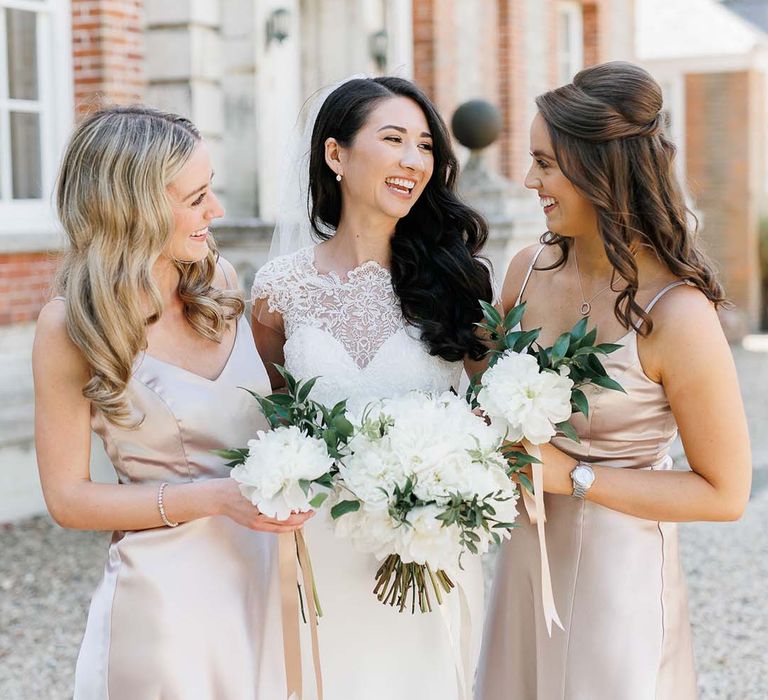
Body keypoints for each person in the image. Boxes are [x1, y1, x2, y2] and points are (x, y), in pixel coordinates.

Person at [476, 61, 752, 700]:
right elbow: (483, 394)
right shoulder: (528, 268)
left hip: (616, 577)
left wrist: (574, 476)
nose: (528, 180)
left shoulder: (677, 314)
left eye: (544, 163)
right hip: (524, 559)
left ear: (599, 169)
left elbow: (724, 493)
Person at [33, 105, 309, 699]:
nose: (217, 212)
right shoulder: (69, 325)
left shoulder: (222, 283)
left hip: (265, 579)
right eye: (197, 197)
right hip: (165, 604)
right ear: (134, 207)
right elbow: (67, 498)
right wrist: (215, 498)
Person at [250, 77, 493, 699]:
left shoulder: (457, 281)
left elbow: (492, 422)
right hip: (320, 551)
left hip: (429, 554)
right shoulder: (280, 290)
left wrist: (452, 486)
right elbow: (272, 424)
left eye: (425, 147)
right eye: (393, 140)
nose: (414, 160)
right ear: (336, 155)